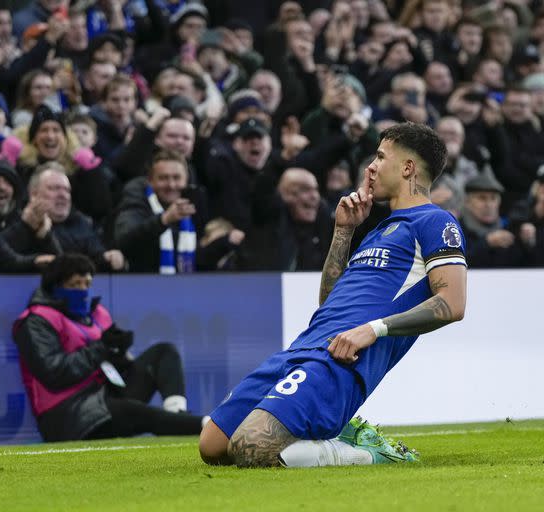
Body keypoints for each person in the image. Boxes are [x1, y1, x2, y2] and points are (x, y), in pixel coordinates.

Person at [199, 122, 467, 468]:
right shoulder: (379, 230)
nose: (371, 166)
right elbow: (329, 302)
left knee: (250, 448)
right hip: (305, 346)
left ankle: (369, 453)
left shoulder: (435, 222)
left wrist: (373, 330)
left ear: (407, 168)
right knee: (213, 446)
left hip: (342, 361)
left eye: (381, 157)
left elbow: (453, 303)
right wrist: (344, 231)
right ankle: (338, 433)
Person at [12, 252, 206, 442]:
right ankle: (204, 426)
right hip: (68, 413)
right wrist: (102, 347)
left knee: (164, 352)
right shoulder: (36, 321)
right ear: (56, 287)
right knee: (139, 413)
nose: (83, 290)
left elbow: (110, 363)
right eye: (74, 285)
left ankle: (178, 414)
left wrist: (120, 353)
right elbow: (53, 373)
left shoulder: (97, 313)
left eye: (87, 284)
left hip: (107, 393)